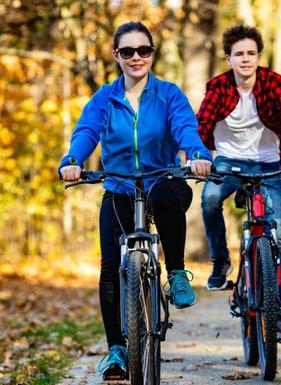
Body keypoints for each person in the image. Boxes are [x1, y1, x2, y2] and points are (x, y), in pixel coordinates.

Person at [58, 22, 212, 380]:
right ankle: (116, 349)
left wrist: (198, 153)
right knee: (110, 266)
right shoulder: (104, 98)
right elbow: (86, 132)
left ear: (152, 53)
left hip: (162, 178)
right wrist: (73, 160)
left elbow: (186, 128)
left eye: (143, 50)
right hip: (120, 186)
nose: (136, 57)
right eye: (127, 52)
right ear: (116, 56)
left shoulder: (169, 94)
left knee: (166, 195)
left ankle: (175, 272)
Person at [196, 25, 281, 341]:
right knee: (210, 199)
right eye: (238, 54)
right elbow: (201, 126)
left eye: (251, 53)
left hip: (268, 162)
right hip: (227, 161)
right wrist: (197, 156)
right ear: (228, 58)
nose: (245, 59)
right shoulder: (218, 87)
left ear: (258, 57)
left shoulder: (274, 83)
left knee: (280, 235)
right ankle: (221, 261)